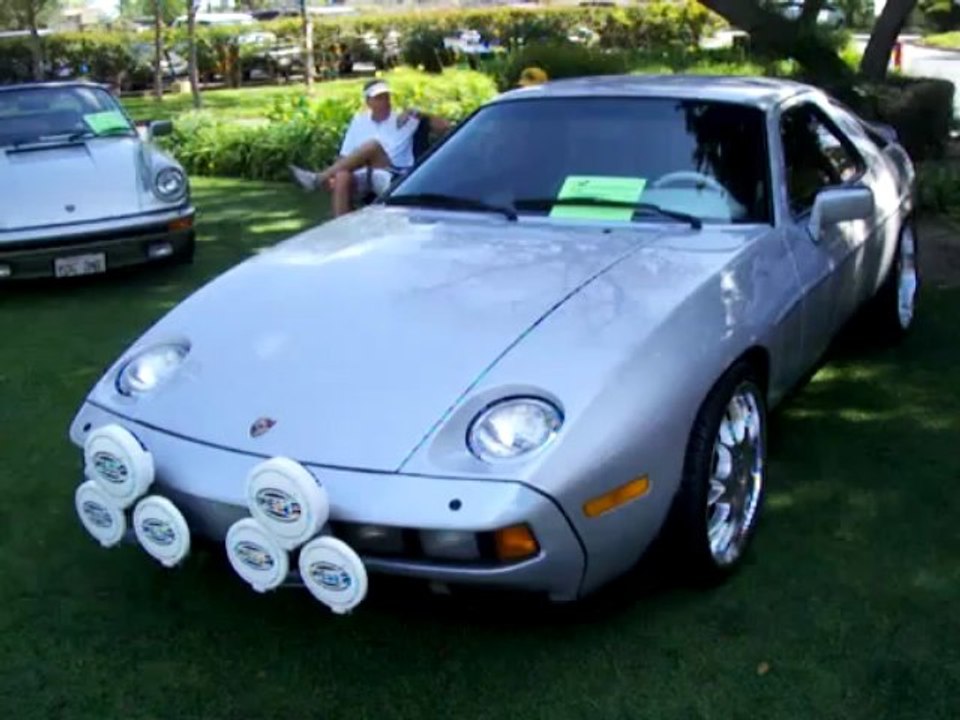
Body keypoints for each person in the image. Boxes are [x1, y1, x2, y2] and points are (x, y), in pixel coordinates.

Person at [289, 78, 453, 217]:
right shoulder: (359, 121)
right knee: (342, 176)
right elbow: (344, 156)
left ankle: (318, 179)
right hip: (366, 173)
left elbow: (446, 127)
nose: (385, 102)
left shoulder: (404, 119)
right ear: (368, 101)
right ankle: (341, 229)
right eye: (379, 98)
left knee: (372, 146)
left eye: (386, 97)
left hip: (394, 172)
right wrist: (335, 176)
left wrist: (419, 113)